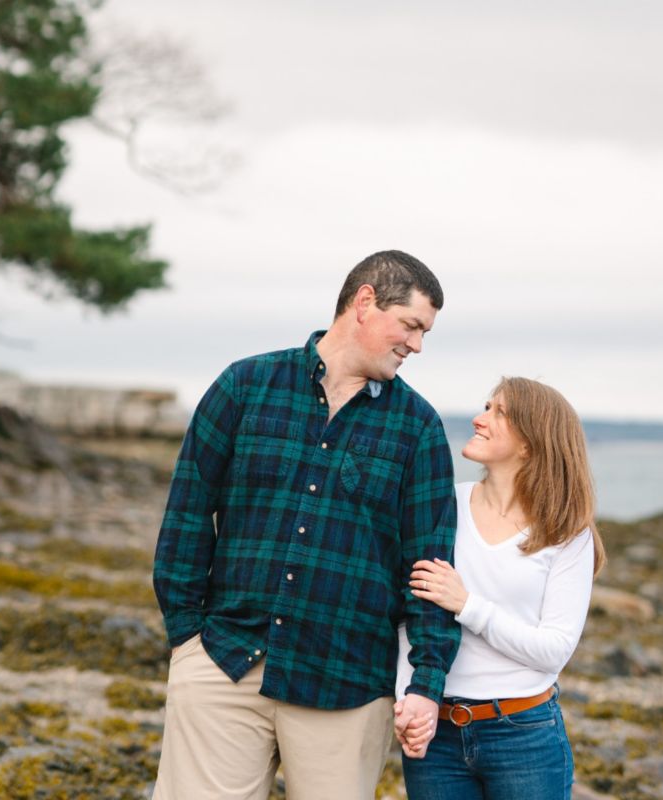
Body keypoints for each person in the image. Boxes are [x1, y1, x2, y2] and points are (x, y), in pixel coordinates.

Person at [152, 250, 461, 800]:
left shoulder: (418, 429)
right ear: (365, 302)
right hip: (226, 662)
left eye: (424, 332)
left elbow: (429, 568)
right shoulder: (246, 387)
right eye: (411, 325)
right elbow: (187, 516)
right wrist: (187, 638)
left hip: (347, 683)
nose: (416, 345)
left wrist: (427, 679)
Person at [395, 377, 606, 800]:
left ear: (529, 443)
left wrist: (467, 605)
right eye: (486, 407)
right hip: (436, 734)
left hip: (523, 736)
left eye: (499, 412)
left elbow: (554, 650)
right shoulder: (444, 506)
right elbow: (408, 613)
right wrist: (409, 699)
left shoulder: (566, 533)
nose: (480, 418)